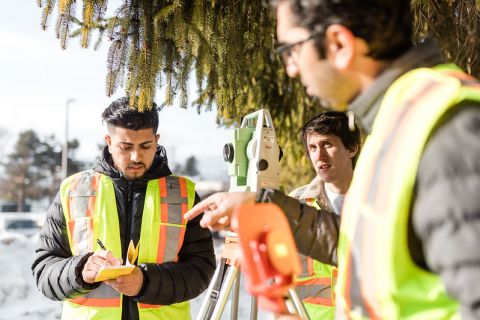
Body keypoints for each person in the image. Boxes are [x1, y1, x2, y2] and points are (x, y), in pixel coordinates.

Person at [184, 0, 480, 319]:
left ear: (339, 44)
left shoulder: (447, 126)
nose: (290, 68)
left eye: (292, 49)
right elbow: (365, 248)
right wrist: (259, 204)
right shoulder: (399, 122)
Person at [32, 97, 216, 320]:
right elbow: (44, 271)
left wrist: (145, 282)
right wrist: (80, 270)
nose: (136, 156)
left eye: (145, 146)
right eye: (126, 147)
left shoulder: (183, 194)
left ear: (156, 140)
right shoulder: (73, 191)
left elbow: (201, 270)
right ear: (108, 141)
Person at [289, 111, 360, 319]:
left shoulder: (378, 200)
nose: (319, 156)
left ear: (351, 149)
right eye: (312, 147)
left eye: (327, 144)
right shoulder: (296, 203)